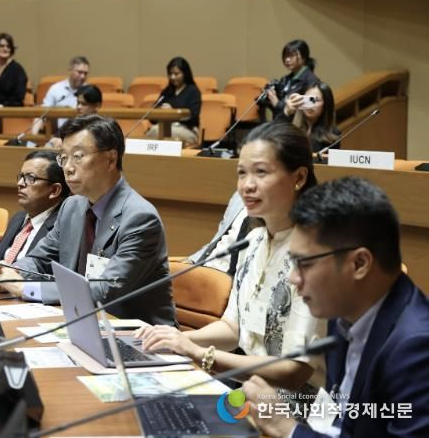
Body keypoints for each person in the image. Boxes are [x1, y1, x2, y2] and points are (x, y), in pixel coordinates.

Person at [136, 121, 325, 392]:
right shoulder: (254, 240)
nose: (247, 185)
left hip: (301, 408)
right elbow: (232, 329)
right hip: (251, 393)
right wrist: (178, 339)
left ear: (299, 178)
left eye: (261, 172)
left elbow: (294, 371)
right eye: (242, 173)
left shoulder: (317, 253)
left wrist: (198, 353)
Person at [242, 177, 429, 438]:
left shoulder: (416, 348)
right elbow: (340, 423)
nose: (293, 278)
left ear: (359, 264)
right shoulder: (344, 314)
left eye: (304, 263)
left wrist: (286, 428)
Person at [0, 115, 176, 326]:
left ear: (111, 159)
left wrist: (26, 288)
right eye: (64, 158)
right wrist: (9, 272)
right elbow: (40, 259)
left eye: (78, 156)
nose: (68, 167)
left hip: (137, 333)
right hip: (81, 322)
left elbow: (105, 289)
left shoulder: (139, 218)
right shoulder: (72, 206)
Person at [0, 150, 70, 263]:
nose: (20, 183)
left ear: (54, 190)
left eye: (30, 178)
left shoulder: (62, 228)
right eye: (21, 176)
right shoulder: (18, 218)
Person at [184, 192, 247, 276]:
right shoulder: (239, 196)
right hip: (207, 265)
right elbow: (218, 238)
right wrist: (192, 260)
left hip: (231, 276)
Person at [146, 57, 201, 147]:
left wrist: (172, 112)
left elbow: (193, 117)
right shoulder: (167, 91)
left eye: (176, 74)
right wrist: (160, 111)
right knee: (152, 132)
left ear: (185, 73)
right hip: (163, 127)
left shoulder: (193, 91)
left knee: (157, 132)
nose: (172, 77)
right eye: (170, 74)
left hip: (187, 129)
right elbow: (153, 118)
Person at [31, 56, 90, 135]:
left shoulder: (89, 91)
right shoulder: (56, 89)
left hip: (80, 133)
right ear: (70, 70)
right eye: (79, 72)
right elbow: (44, 112)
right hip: (56, 133)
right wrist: (34, 137)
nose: (83, 76)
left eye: (85, 73)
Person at [262, 39, 320, 120]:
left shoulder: (312, 80)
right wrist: (269, 97)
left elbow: (311, 105)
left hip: (296, 125)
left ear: (304, 57)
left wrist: (277, 103)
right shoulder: (285, 79)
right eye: (285, 56)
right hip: (281, 122)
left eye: (291, 56)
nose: (287, 59)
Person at [280, 82, 340, 153]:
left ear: (326, 105)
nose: (311, 104)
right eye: (308, 99)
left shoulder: (333, 134)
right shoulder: (288, 123)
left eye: (316, 100)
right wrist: (286, 113)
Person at [45, 84, 102, 149]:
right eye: (78, 103)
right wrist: (54, 141)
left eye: (84, 104)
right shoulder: (71, 123)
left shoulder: (103, 126)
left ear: (97, 106)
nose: (78, 107)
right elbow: (54, 139)